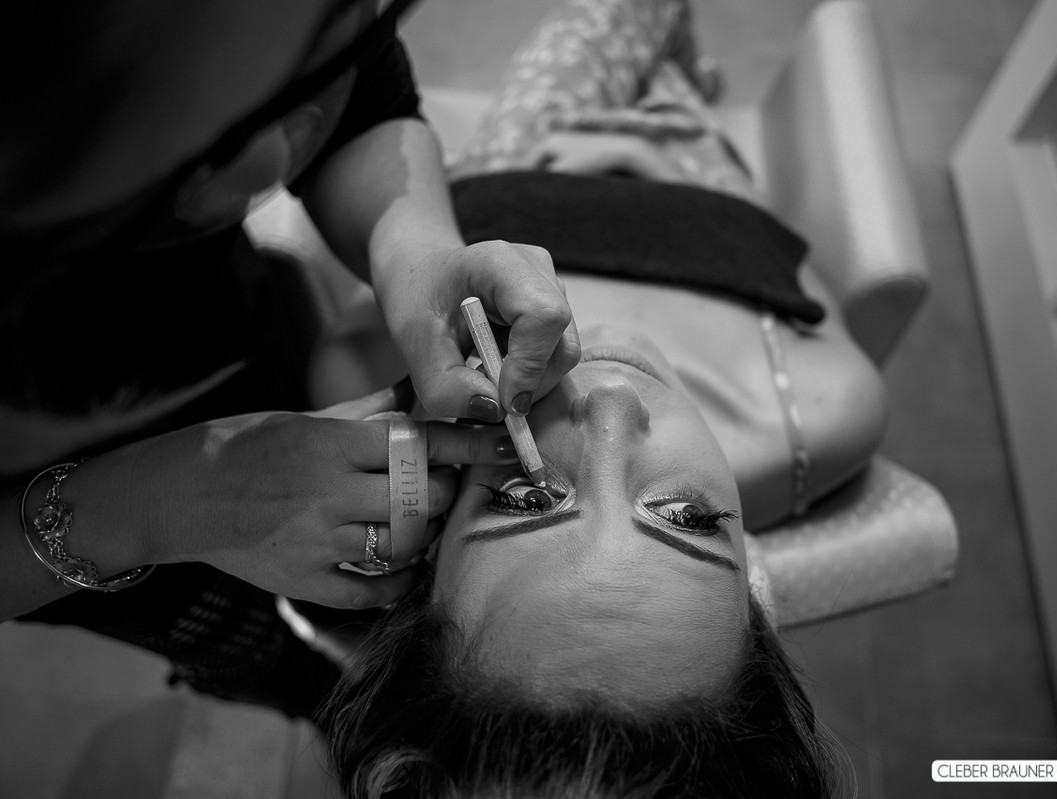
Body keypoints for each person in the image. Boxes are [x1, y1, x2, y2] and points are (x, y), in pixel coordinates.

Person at [308, 0, 884, 794]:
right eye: (686, 516)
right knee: (674, 74)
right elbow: (791, 267)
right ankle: (684, 78)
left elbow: (344, 337)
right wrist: (666, 162)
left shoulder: (386, 393)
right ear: (757, 587)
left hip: (521, 170)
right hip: (695, 188)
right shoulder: (824, 408)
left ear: (429, 548)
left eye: (521, 497)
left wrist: (411, 303)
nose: (612, 404)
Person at [0, 0, 579, 718]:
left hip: (236, 330)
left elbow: (368, 107)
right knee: (285, 663)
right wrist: (148, 508)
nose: (273, 165)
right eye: (203, 135)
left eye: (300, 75)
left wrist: (418, 256)